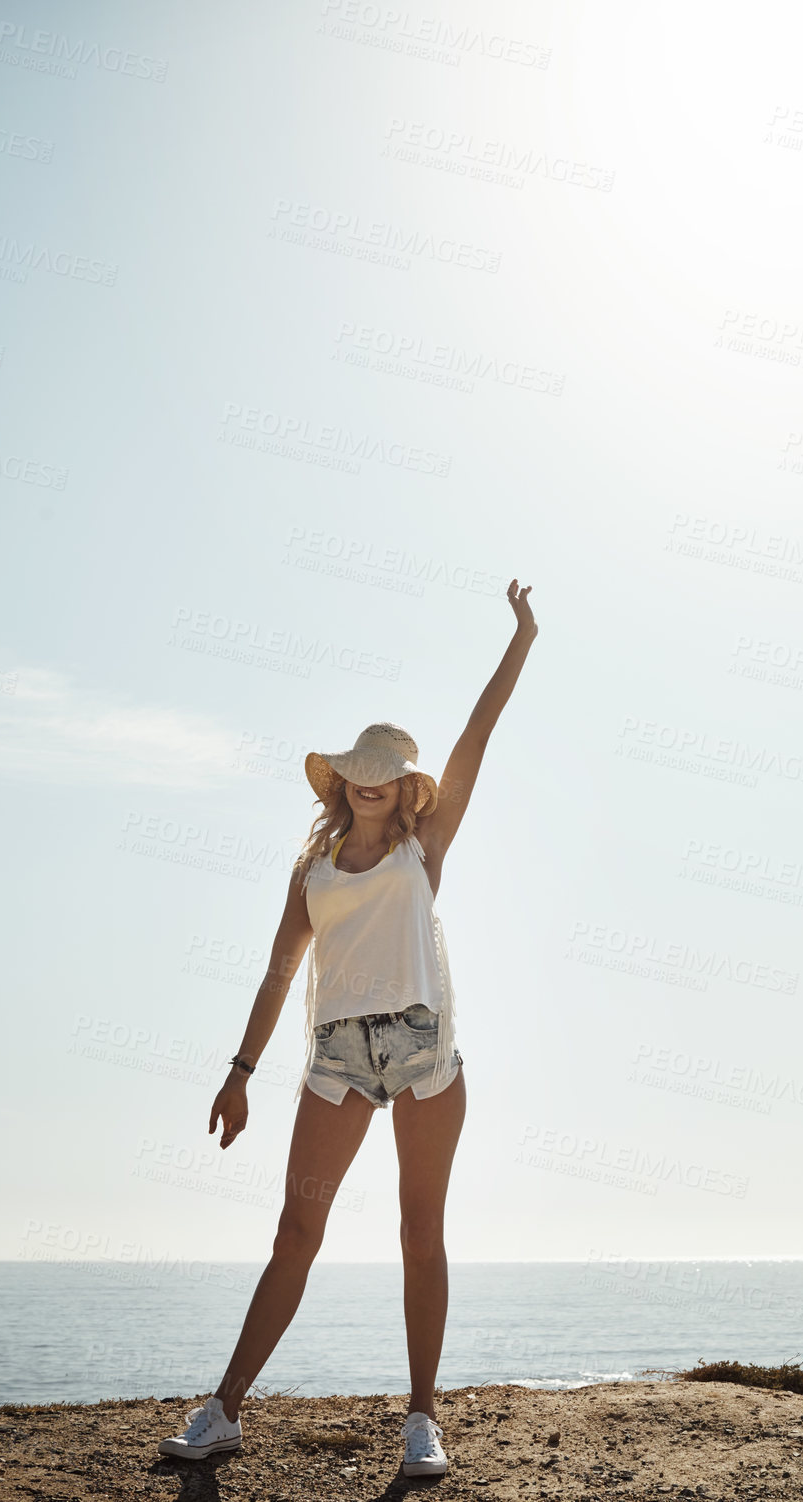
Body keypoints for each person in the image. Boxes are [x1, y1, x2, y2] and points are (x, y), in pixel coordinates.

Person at [158, 580, 538, 1476]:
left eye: (385, 772)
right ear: (343, 780)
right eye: (356, 771)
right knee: (296, 1233)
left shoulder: (422, 847)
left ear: (405, 786)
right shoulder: (314, 871)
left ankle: (420, 1421)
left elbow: (476, 736)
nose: (369, 783)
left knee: (419, 1232)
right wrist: (240, 1070)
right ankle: (223, 1411)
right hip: (334, 1055)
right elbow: (277, 971)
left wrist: (521, 637)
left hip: (420, 1050)